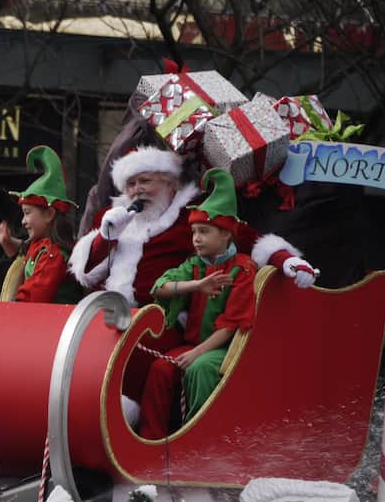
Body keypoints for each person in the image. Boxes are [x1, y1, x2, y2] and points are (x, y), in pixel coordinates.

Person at [67, 144, 315, 423]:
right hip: (112, 314)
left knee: (138, 355)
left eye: (146, 180)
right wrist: (107, 235)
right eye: (131, 183)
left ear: (169, 182)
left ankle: (131, 425)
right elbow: (85, 272)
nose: (137, 190)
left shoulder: (191, 217)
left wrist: (286, 260)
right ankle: (84, 416)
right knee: (79, 349)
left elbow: (248, 239)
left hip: (164, 318)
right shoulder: (114, 219)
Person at [138, 168, 257, 439]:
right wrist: (197, 286)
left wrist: (196, 353)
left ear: (226, 233)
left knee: (200, 369)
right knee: (160, 368)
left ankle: (197, 442)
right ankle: (152, 441)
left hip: (225, 349)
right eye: (193, 232)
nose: (196, 239)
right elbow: (160, 286)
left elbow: (232, 326)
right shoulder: (195, 266)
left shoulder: (243, 269)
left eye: (204, 231)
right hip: (193, 344)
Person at [0, 145, 81, 304]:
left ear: (49, 214)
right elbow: (26, 252)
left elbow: (34, 297)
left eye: (27, 213)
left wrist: (9, 314)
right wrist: (8, 242)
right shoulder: (42, 246)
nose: (23, 221)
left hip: (56, 326)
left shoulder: (53, 254)